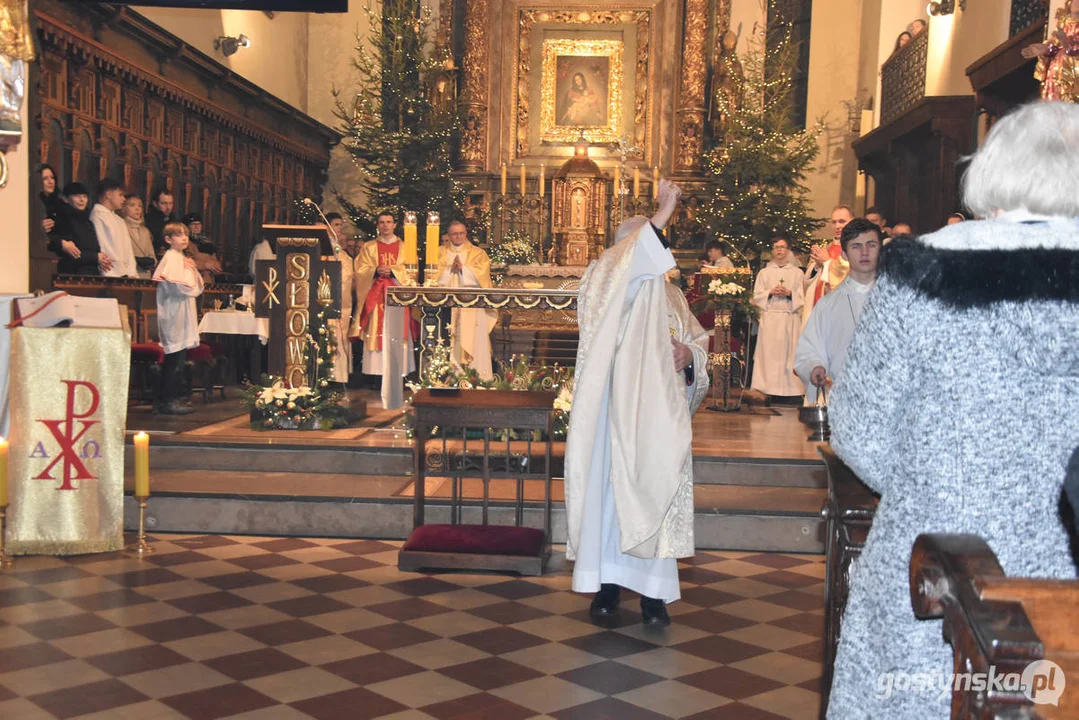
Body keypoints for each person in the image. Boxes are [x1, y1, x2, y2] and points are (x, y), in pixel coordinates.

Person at [825, 101, 1079, 719]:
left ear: (989, 169)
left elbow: (858, 426)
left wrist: (928, 478)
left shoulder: (926, 268)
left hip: (936, 557)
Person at [565, 179, 710, 628]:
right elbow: (624, 275)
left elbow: (697, 341)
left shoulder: (671, 295)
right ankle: (607, 587)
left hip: (657, 417)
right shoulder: (603, 279)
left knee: (657, 491)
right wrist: (661, 215)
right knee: (612, 498)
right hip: (614, 412)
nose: (649, 246)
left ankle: (653, 596)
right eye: (641, 239)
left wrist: (692, 357)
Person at [794, 219, 881, 404]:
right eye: (856, 246)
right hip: (842, 401)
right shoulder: (828, 306)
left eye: (871, 245)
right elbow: (808, 351)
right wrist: (814, 367)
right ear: (845, 255)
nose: (865, 252)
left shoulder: (900, 301)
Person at [352, 211, 416, 385]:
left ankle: (400, 374)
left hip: (397, 296)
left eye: (389, 222)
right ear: (378, 225)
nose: (385, 225)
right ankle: (377, 376)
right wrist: (375, 270)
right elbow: (360, 270)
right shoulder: (370, 247)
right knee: (376, 332)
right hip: (376, 296)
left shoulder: (405, 247)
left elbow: (412, 270)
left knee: (397, 331)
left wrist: (394, 271)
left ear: (395, 225)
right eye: (382, 222)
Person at [152, 222, 204, 416]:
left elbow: (197, 287)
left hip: (183, 312)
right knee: (174, 358)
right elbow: (182, 286)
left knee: (179, 358)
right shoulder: (171, 258)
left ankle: (174, 397)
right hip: (174, 313)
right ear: (168, 239)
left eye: (186, 235)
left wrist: (190, 269)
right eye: (179, 235)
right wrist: (189, 271)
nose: (184, 238)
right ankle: (169, 400)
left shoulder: (181, 258)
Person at [436, 220, 496, 379]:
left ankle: (478, 378)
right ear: (449, 236)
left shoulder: (478, 253)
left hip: (472, 307)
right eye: (454, 233)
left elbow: (483, 276)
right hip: (446, 307)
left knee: (475, 340)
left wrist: (463, 269)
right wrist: (450, 270)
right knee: (448, 338)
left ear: (466, 233)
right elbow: (433, 276)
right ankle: (450, 379)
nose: (458, 236)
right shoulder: (439, 252)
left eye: (461, 233)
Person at [750, 237, 805, 399]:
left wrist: (790, 294)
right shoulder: (764, 273)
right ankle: (766, 389)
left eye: (783, 247)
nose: (779, 250)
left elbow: (803, 297)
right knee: (768, 355)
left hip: (789, 317)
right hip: (771, 318)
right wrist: (770, 292)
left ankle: (791, 391)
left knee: (789, 355)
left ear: (788, 250)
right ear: (772, 250)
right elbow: (756, 296)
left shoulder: (797, 273)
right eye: (776, 247)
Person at [802, 205, 852, 325]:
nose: (837, 226)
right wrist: (817, 266)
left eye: (842, 221)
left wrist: (827, 262)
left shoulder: (856, 248)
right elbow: (808, 283)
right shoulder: (827, 248)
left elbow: (851, 278)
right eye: (834, 222)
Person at [1022, 0, 1079, 102]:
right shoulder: (1063, 24)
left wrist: (1067, 44)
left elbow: (1073, 50)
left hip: (1073, 77)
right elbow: (1055, 47)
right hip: (1056, 73)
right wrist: (1046, 49)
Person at [47, 182, 107, 276]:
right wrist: (95, 257)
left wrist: (101, 259)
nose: (82, 200)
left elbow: (94, 248)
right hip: (73, 273)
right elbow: (72, 253)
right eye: (77, 196)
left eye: (84, 196)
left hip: (92, 272)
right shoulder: (63, 219)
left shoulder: (88, 221)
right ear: (66, 199)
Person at [324, 212, 354, 385]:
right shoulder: (322, 248)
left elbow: (347, 277)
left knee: (338, 335)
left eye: (341, 225)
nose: (339, 228)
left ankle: (337, 375)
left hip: (339, 302)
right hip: (322, 300)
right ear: (327, 226)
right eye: (336, 225)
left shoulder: (341, 253)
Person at [90, 178, 138, 278]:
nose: (124, 199)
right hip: (110, 272)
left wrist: (132, 271)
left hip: (126, 273)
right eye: (120, 195)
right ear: (109, 194)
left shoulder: (120, 220)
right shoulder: (97, 215)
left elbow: (128, 249)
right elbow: (102, 244)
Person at [122, 195, 157, 279]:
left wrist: (150, 261)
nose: (137, 209)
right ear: (123, 208)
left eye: (140, 206)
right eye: (132, 205)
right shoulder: (121, 227)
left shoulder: (145, 231)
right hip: (128, 275)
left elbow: (152, 257)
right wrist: (136, 260)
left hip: (145, 275)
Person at [146, 187, 175, 255]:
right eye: (164, 203)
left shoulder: (173, 219)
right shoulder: (148, 220)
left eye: (170, 203)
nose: (168, 207)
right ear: (155, 203)